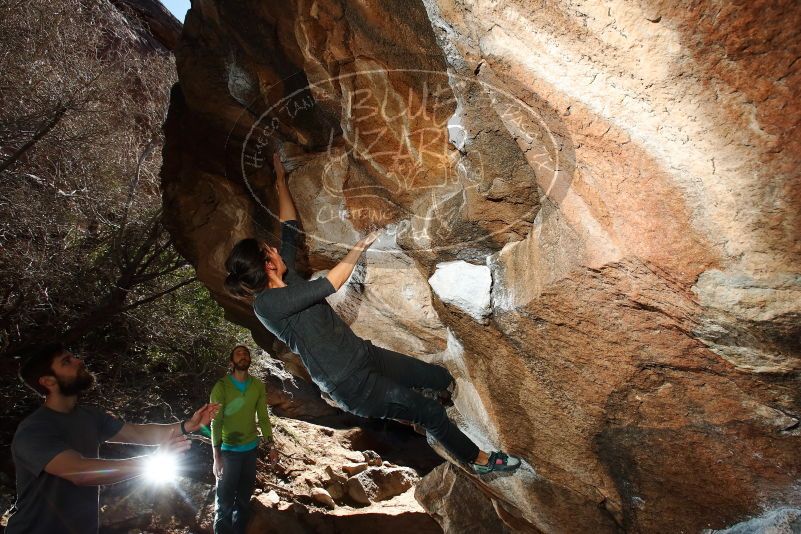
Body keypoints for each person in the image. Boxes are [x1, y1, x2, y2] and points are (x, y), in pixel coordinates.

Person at [223, 153, 520, 475]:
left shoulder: (288, 277)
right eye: (271, 251)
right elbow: (330, 284)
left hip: (365, 356)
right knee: (431, 413)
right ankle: (480, 462)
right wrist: (360, 245)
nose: (277, 250)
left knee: (439, 378)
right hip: (350, 385)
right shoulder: (266, 305)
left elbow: (289, 229)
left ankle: (419, 406)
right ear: (267, 264)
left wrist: (280, 180)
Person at [6, 343, 220, 534]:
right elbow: (80, 473)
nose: (78, 361)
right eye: (66, 361)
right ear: (48, 381)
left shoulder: (90, 416)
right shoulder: (34, 431)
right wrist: (153, 460)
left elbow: (138, 433)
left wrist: (187, 426)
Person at [209, 344, 277, 534]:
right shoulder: (221, 387)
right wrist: (216, 456)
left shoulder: (257, 386)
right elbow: (216, 422)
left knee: (244, 499)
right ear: (232, 361)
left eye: (246, 353)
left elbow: (263, 417)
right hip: (228, 451)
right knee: (224, 501)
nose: (243, 356)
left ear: (250, 360)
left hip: (250, 450)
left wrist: (271, 445)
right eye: (238, 354)